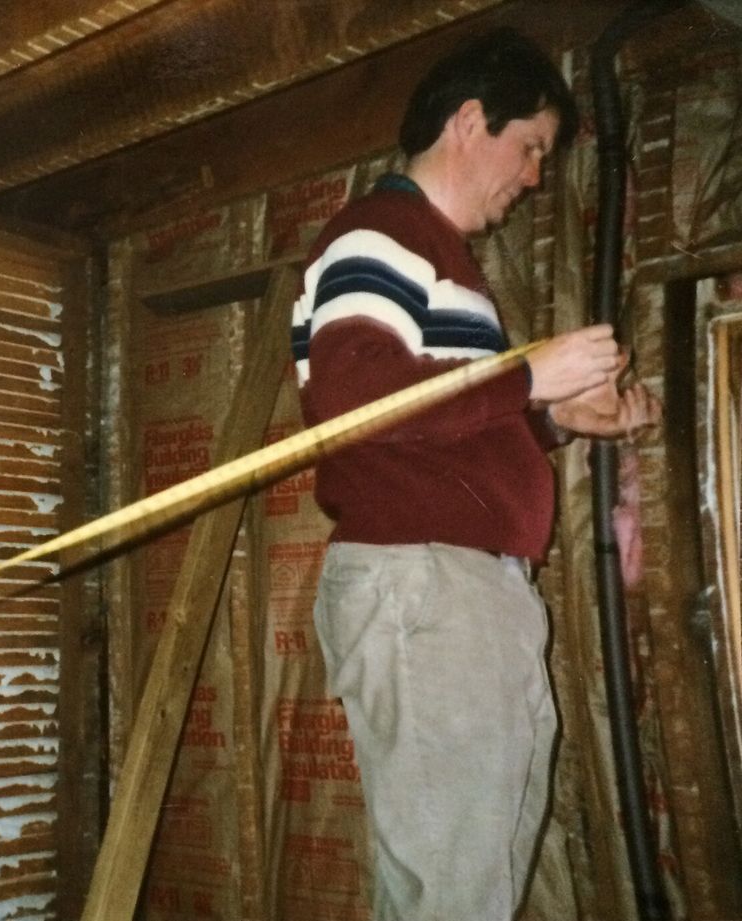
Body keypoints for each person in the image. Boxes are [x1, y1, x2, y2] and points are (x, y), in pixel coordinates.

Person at [288, 27, 661, 921]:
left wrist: (558, 419)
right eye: (530, 146)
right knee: (454, 893)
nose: (534, 177)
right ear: (468, 121)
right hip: (429, 587)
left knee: (470, 883)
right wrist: (531, 376)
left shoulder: (439, 259)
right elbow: (352, 399)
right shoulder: (381, 235)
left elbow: (441, 429)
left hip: (462, 590)